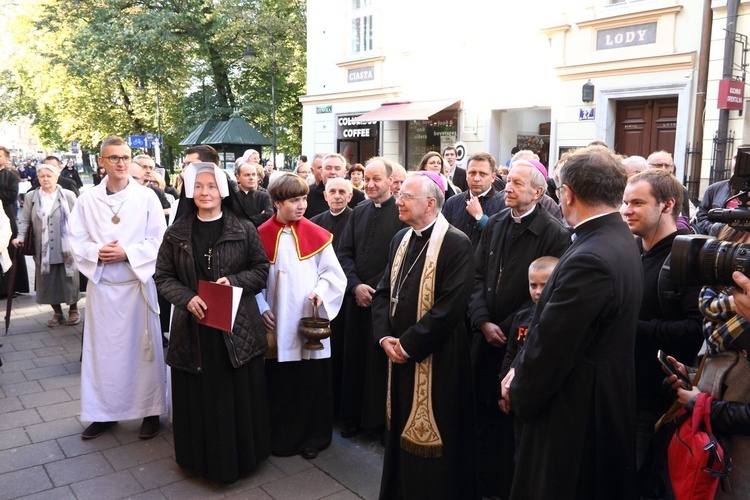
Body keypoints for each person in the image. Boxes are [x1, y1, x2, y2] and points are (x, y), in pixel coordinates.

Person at [504, 145, 642, 499]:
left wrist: (519, 389)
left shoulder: (591, 256)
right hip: (598, 401)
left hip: (575, 413)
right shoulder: (617, 237)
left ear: (566, 193)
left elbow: (552, 346)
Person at [154, 162, 271, 483]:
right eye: (199, 186)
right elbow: (162, 275)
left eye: (211, 186)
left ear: (223, 190)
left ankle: (243, 459)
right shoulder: (176, 232)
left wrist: (233, 280)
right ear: (191, 191)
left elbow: (261, 270)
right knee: (200, 396)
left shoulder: (243, 228)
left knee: (234, 394)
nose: (205, 192)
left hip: (236, 325)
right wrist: (186, 297)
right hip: (193, 326)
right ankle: (198, 460)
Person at [371, 171, 476, 499]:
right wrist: (384, 337)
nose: (398, 201)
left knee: (435, 438)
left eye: (406, 196)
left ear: (430, 203)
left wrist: (408, 344)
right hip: (398, 354)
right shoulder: (400, 239)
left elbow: (451, 307)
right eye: (399, 194)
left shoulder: (456, 242)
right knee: (399, 432)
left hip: (438, 357)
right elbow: (382, 291)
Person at [469, 159, 570, 498]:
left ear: (538, 192)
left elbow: (545, 295)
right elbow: (477, 276)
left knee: (508, 419)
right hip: (484, 334)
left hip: (520, 341)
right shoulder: (495, 222)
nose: (507, 187)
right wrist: (482, 320)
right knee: (481, 412)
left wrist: (505, 328)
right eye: (507, 181)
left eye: (516, 183)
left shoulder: (554, 234)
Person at [69, 136, 167, 440]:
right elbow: (75, 239)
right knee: (104, 356)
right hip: (104, 289)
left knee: (145, 353)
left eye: (125, 157)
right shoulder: (87, 199)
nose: (121, 163)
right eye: (114, 158)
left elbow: (159, 241)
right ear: (102, 162)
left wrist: (128, 252)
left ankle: (151, 412)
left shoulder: (146, 197)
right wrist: (97, 251)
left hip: (136, 285)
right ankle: (104, 413)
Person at [256, 173, 346, 459]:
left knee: (310, 381)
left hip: (307, 319)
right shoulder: (260, 235)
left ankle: (313, 437)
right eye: (295, 200)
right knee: (279, 380)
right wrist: (260, 306)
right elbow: (252, 279)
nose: (302, 205)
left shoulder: (315, 234)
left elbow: (332, 274)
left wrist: (321, 291)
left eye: (304, 198)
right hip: (275, 319)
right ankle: (278, 436)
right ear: (277, 202)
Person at [620, 169, 703, 471]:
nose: (626, 211)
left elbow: (695, 330)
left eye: (637, 203)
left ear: (667, 205)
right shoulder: (630, 250)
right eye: (625, 202)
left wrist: (630, 329)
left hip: (657, 402)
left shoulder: (686, 258)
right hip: (620, 391)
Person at [336, 157, 406, 438]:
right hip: (357, 299)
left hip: (384, 302)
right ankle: (352, 417)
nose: (370, 184)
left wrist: (375, 290)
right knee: (354, 359)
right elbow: (344, 253)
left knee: (378, 365)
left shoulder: (401, 213)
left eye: (377, 179)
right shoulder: (358, 211)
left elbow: (399, 260)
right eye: (367, 179)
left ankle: (377, 422)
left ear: (391, 181)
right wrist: (355, 286)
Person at [498, 256, 558, 449]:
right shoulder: (522, 317)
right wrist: (502, 391)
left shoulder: (561, 319)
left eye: (544, 285)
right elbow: (511, 353)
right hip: (518, 395)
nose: (538, 291)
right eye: (533, 285)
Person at [12, 162, 80, 326]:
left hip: (66, 247)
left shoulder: (69, 195)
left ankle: (73, 310)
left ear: (57, 177)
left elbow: (79, 221)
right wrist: (20, 236)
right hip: (42, 247)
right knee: (47, 281)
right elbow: (25, 219)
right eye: (42, 176)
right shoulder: (31, 197)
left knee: (69, 279)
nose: (45, 179)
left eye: (49, 176)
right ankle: (57, 313)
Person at [441, 152, 506, 248]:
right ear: (466, 175)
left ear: (493, 177)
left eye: (483, 174)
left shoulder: (504, 204)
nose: (476, 178)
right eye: (472, 173)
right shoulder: (452, 202)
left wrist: (480, 217)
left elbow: (500, 239)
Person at [0, 146, 29, 298]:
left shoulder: (11, 176)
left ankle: (12, 286)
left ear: (5, 159)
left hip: (6, 217)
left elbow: (11, 196)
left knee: (10, 250)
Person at [305, 153, 364, 218]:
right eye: (328, 168)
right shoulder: (308, 194)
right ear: (321, 171)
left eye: (337, 169)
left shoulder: (358, 196)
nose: (333, 172)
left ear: (345, 173)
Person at [231, 162, 273, 227]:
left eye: (253, 174)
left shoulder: (264, 196)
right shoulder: (232, 198)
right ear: (238, 178)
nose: (251, 178)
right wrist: (259, 217)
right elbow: (230, 220)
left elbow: (269, 215)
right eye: (247, 175)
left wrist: (241, 221)